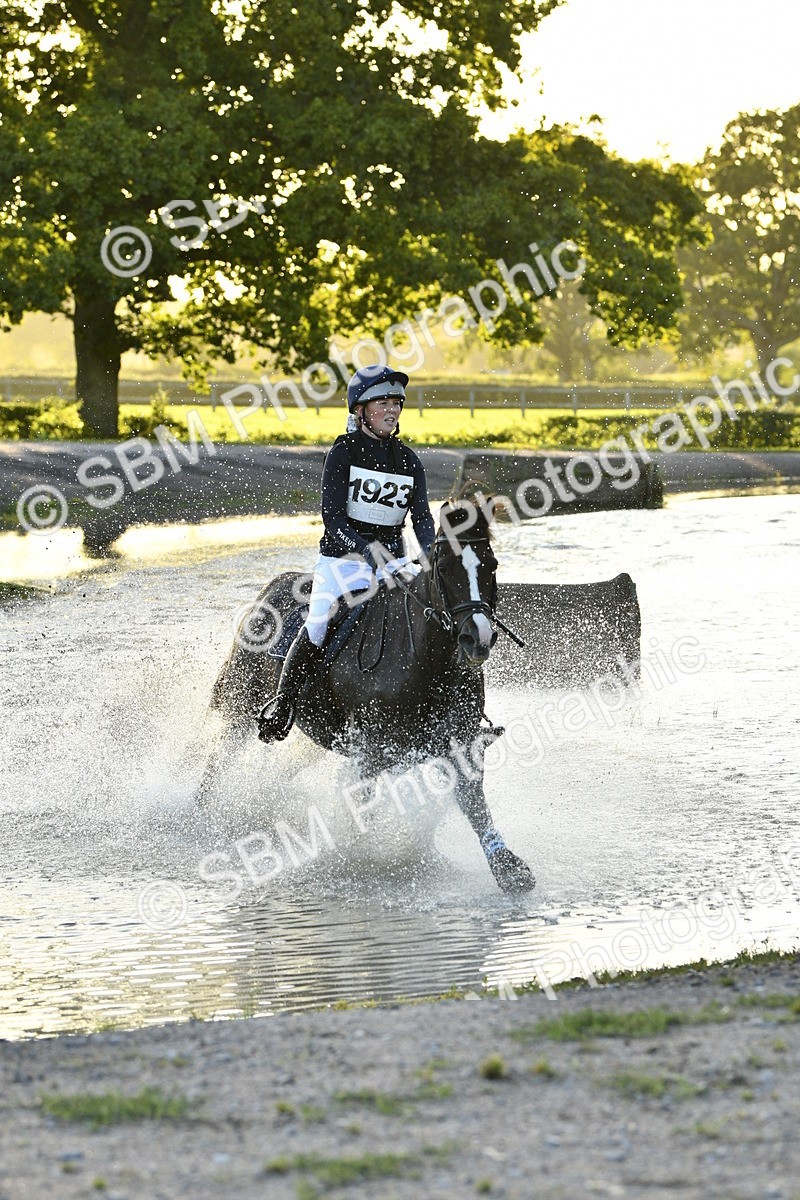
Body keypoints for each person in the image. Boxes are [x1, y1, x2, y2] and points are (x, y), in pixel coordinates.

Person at [257, 363, 436, 743]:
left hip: (393, 564)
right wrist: (365, 548)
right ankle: (282, 703)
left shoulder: (409, 462)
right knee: (320, 623)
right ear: (361, 410)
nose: (392, 410)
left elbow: (421, 517)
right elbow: (333, 517)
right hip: (343, 562)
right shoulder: (343, 453)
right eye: (383, 402)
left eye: (397, 403)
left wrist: (431, 553)